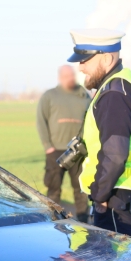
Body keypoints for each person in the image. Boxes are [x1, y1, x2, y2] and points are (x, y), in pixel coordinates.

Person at [66, 28, 131, 238]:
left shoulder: (114, 95)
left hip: (116, 202)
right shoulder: (121, 83)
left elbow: (115, 154)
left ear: (106, 59)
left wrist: (100, 195)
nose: (81, 68)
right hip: (124, 198)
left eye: (85, 60)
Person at [37, 65, 90, 221]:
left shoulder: (83, 95)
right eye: (66, 76)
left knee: (81, 188)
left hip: (78, 150)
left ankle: (83, 219)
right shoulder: (49, 96)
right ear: (60, 78)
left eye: (72, 75)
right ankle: (52, 219)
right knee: (53, 188)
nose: (71, 78)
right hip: (56, 150)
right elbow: (41, 121)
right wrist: (48, 147)